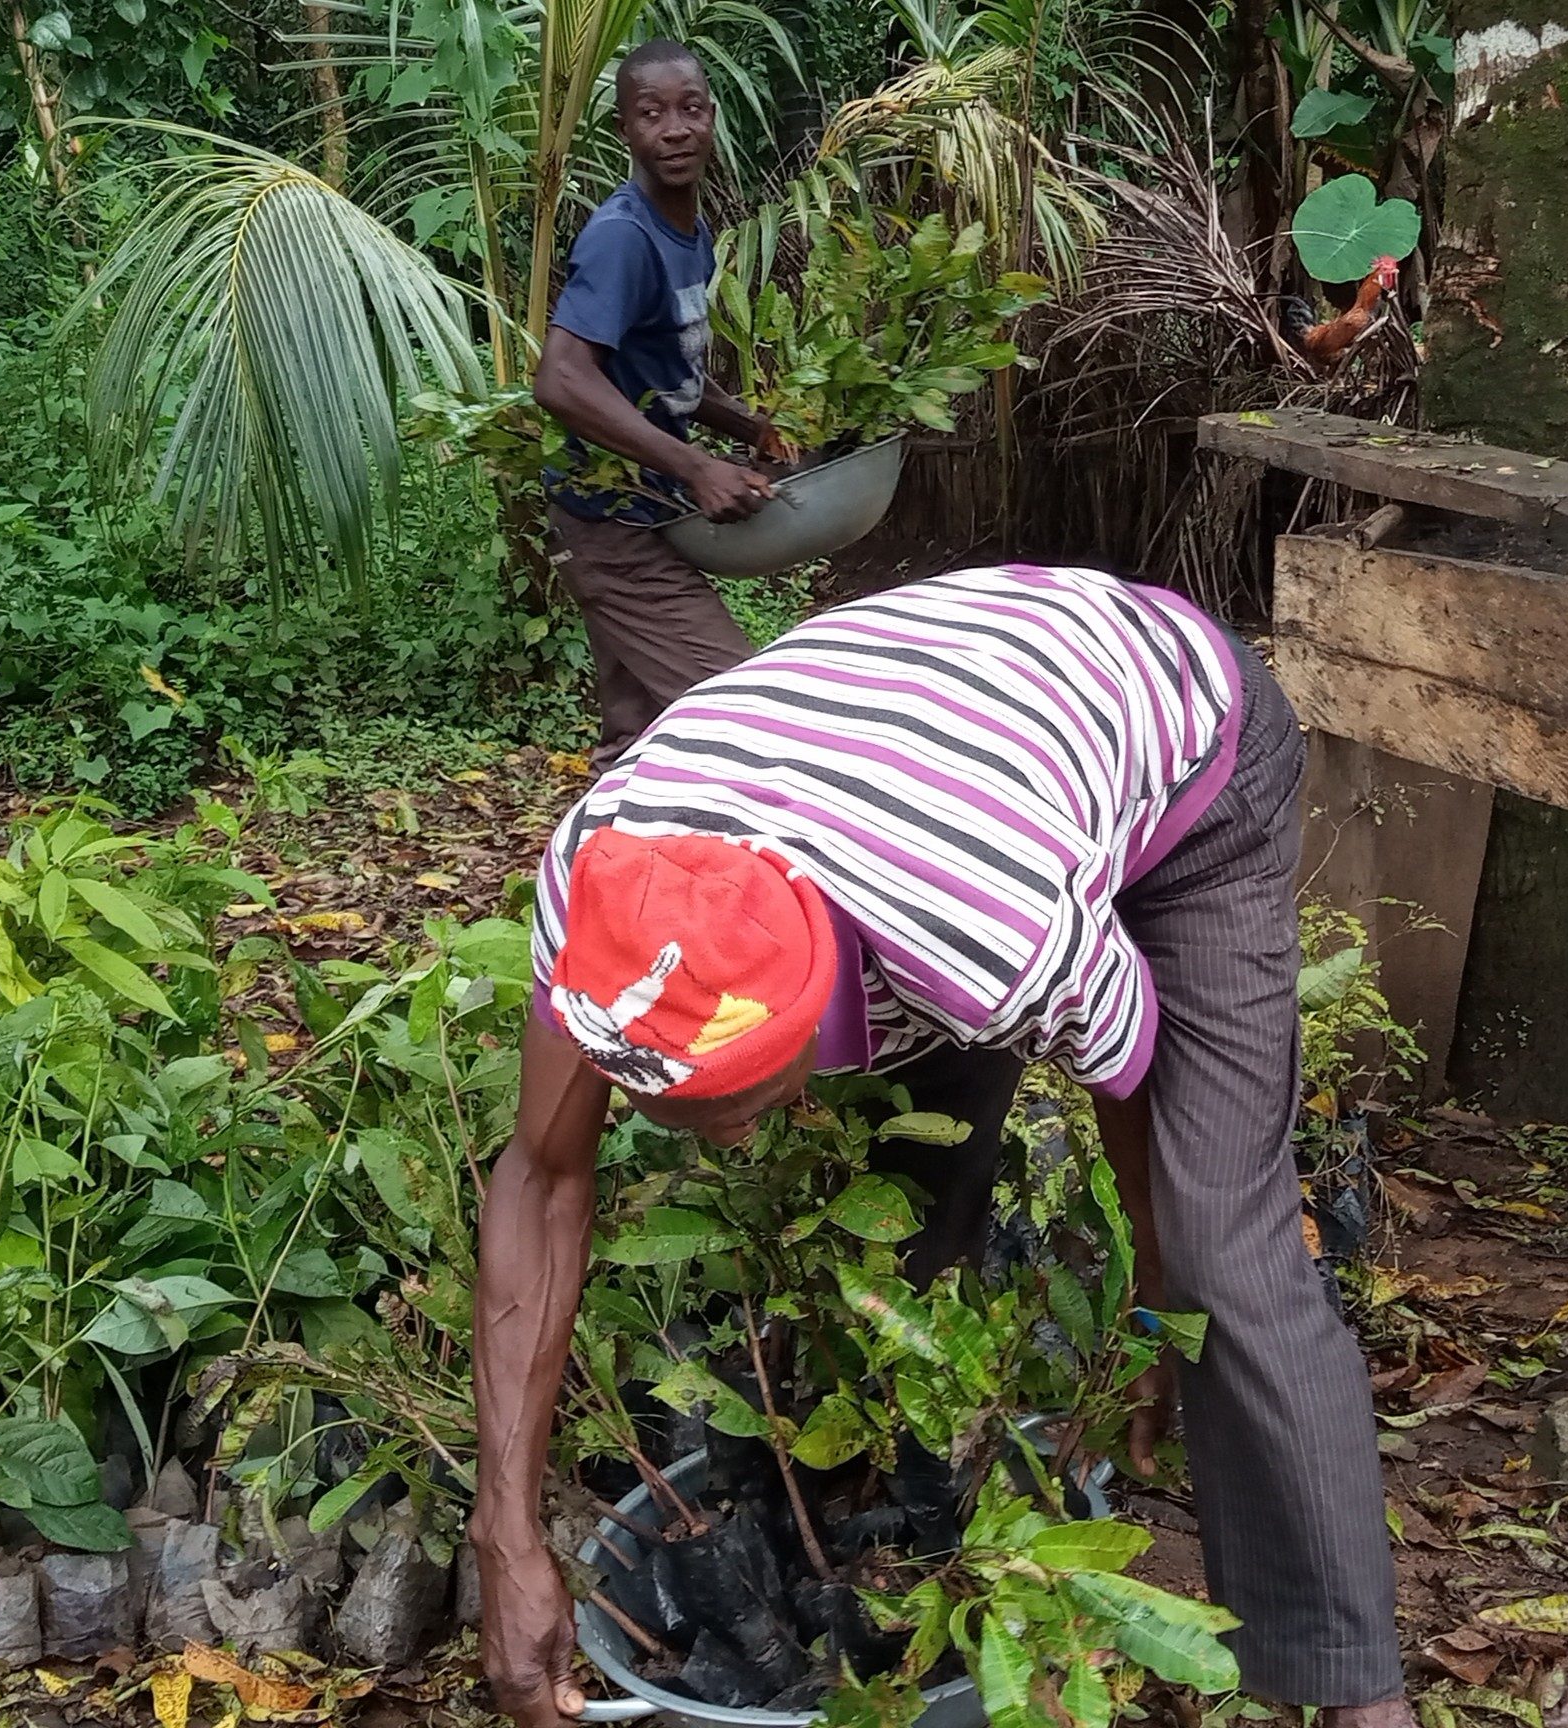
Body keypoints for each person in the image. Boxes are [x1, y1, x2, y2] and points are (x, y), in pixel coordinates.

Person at [470, 562, 1416, 1728]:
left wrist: (1165, 1320)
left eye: (749, 1108)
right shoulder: (598, 889)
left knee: (1226, 1239)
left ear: (822, 1009)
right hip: (940, 737)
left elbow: (1134, 1094)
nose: (729, 1146)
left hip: (1177, 735)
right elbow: (544, 1173)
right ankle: (910, 1508)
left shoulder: (989, 935)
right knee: (914, 1200)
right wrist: (504, 1535)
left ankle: (1354, 1692)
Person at [533, 39, 791, 769]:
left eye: (689, 109)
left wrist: (747, 426)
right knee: (743, 716)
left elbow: (660, 370)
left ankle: (609, 873)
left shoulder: (688, 233)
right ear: (624, 130)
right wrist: (695, 467)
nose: (673, 128)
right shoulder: (624, 238)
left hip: (641, 512)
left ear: (712, 118)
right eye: (651, 113)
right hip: (610, 527)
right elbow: (561, 379)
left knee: (639, 740)